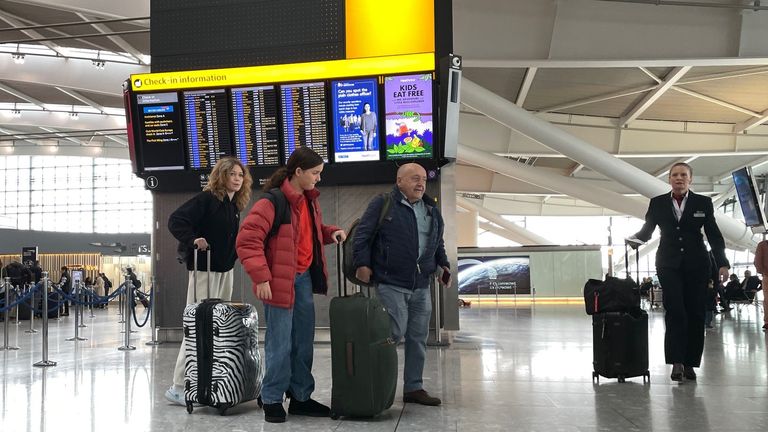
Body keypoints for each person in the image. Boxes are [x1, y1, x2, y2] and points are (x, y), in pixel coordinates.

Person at [236, 147, 346, 423]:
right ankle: (272, 398)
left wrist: (330, 232)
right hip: (278, 281)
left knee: (303, 343)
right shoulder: (272, 202)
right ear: (298, 172)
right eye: (315, 173)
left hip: (303, 279)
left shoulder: (309, 201)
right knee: (280, 343)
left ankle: (300, 397)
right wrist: (261, 277)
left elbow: (310, 231)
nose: (318, 179)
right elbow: (248, 241)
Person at [352, 162, 450, 406]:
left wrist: (443, 265)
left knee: (417, 337)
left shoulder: (431, 210)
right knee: (392, 333)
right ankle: (374, 384)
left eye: (424, 180)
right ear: (400, 182)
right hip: (391, 281)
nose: (421, 183)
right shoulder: (383, 203)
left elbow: (437, 243)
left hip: (421, 283)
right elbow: (362, 236)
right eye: (415, 178)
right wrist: (362, 264)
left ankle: (413, 388)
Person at [628, 162, 729, 382]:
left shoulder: (703, 202)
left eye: (683, 175)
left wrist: (722, 263)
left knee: (695, 313)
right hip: (668, 264)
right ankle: (676, 362)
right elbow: (647, 230)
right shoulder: (657, 203)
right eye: (675, 175)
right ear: (669, 179)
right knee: (675, 312)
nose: (679, 178)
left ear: (690, 179)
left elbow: (713, 233)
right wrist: (634, 240)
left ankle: (691, 363)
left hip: (698, 264)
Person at [165, 156, 253, 406]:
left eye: (240, 175)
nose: (237, 179)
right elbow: (176, 220)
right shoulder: (207, 199)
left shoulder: (233, 206)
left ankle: (203, 382)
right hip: (205, 272)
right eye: (232, 174)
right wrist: (194, 239)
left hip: (225, 272)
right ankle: (178, 386)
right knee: (196, 326)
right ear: (221, 176)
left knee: (216, 329)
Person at [754, 239, 768, 330]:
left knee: (767, 299)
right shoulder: (763, 245)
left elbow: (757, 262)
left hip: (767, 275)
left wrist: (763, 272)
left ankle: (767, 321)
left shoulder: (763, 245)